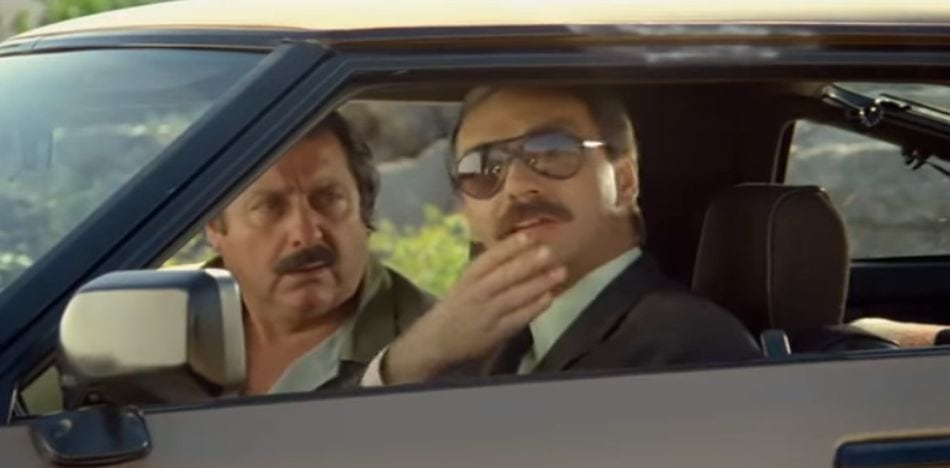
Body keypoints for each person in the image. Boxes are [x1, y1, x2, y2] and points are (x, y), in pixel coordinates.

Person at [362, 86, 762, 386]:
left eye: (552, 151)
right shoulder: (475, 343)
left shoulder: (690, 348)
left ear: (624, 182)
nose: (518, 186)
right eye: (483, 167)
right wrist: (416, 356)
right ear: (466, 211)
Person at [205, 112, 433, 395]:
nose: (306, 235)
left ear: (364, 209)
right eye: (269, 207)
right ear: (215, 227)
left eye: (329, 198)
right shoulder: (171, 323)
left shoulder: (431, 352)